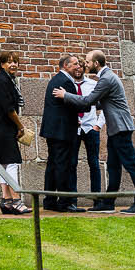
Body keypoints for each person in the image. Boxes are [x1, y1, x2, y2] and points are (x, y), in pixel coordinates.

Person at [52, 50, 135, 214]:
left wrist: (65, 95)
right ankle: (108, 203)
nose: (86, 65)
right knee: (113, 166)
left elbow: (88, 101)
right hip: (115, 129)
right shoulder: (106, 78)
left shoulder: (106, 79)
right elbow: (98, 103)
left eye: (88, 62)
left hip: (121, 128)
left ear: (96, 63)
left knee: (130, 164)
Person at [0, 51, 30, 215]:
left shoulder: (7, 80)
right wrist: (20, 126)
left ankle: (6, 201)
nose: (13, 65)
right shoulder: (2, 81)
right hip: (1, 127)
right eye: (9, 62)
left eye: (16, 62)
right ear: (2, 64)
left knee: (4, 163)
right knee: (12, 162)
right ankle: (17, 201)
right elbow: (9, 109)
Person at [39, 54, 85, 212]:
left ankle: (49, 200)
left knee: (52, 165)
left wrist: (73, 118)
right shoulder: (66, 82)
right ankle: (64, 202)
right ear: (66, 66)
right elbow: (78, 105)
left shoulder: (55, 79)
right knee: (62, 166)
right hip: (62, 131)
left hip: (53, 129)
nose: (78, 67)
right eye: (75, 64)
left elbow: (63, 107)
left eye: (78, 64)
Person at [73, 56, 109, 211]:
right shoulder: (67, 85)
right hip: (74, 130)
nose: (79, 68)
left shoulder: (94, 85)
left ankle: (97, 201)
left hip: (90, 129)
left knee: (94, 164)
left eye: (82, 66)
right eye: (76, 66)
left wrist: (98, 125)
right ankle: (71, 201)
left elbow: (107, 106)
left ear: (85, 68)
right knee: (71, 164)